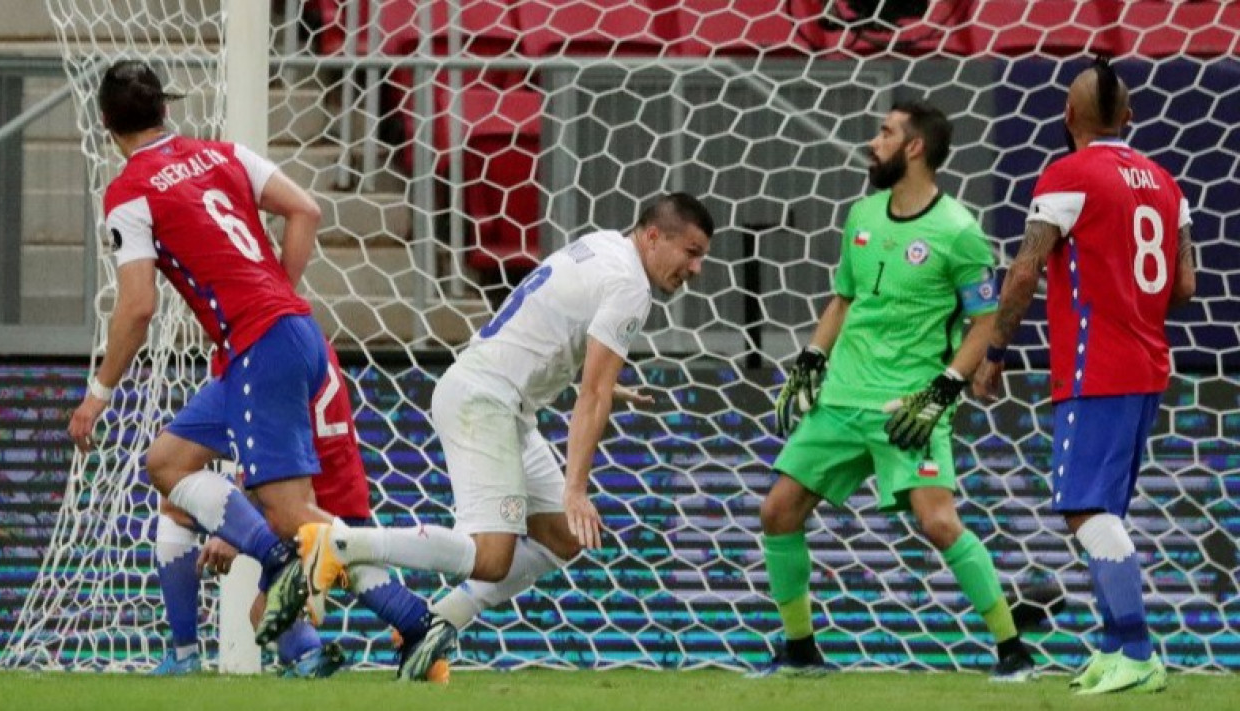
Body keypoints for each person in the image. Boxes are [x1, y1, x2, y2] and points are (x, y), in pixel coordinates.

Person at [263, 193, 714, 680]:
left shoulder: (603, 246)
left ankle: (439, 622)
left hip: (499, 397)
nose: (697, 269)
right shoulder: (630, 287)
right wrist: (576, 487)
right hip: (487, 398)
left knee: (562, 537)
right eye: (691, 252)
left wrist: (609, 388)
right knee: (490, 558)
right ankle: (338, 545)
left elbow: (558, 336)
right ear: (653, 237)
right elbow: (593, 396)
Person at [65, 60, 427, 665]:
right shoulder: (224, 154)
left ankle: (414, 617)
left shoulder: (129, 193)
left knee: (290, 518)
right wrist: (277, 294)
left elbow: (137, 308)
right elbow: (306, 208)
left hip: (260, 344)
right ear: (166, 110)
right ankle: (194, 655)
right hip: (284, 335)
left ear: (106, 124)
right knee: (168, 463)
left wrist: (99, 391)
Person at [757, 100, 1037, 681]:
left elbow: (983, 320)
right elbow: (844, 298)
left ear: (914, 147)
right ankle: (801, 650)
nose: (873, 142)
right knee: (778, 510)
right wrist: (812, 355)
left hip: (907, 404)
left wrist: (944, 389)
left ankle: (1013, 650)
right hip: (842, 398)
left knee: (937, 522)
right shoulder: (861, 214)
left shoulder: (958, 231)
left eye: (885, 133)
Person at [974, 58, 1195, 695]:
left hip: (1094, 366)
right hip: (1149, 365)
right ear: (1129, 118)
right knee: (1108, 513)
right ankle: (1109, 648)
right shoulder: (1165, 182)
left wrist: (995, 352)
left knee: (1085, 510)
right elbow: (1184, 285)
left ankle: (1139, 648)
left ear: (1068, 117)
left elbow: (1023, 271)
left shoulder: (1067, 174)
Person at [150, 345, 430, 678]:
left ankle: (186, 656)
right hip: (346, 494)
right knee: (337, 562)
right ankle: (416, 624)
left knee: (174, 503)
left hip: (301, 501)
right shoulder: (308, 338)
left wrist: (231, 533)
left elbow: (270, 461)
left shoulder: (256, 351)